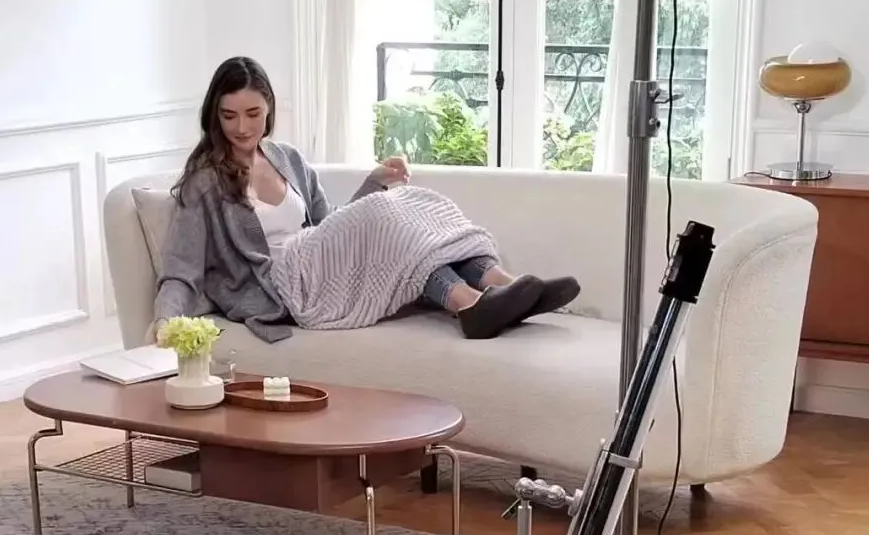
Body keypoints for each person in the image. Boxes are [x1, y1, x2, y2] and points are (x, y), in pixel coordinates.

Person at [154, 56, 579, 343]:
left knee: (413, 205)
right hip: (285, 284)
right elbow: (180, 270)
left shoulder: (287, 158)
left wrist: (373, 183)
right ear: (214, 116)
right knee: (387, 217)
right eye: (229, 116)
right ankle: (469, 304)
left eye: (253, 114)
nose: (242, 128)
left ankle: (505, 286)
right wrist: (163, 323)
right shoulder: (204, 182)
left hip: (317, 258)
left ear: (269, 110)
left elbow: (330, 226)